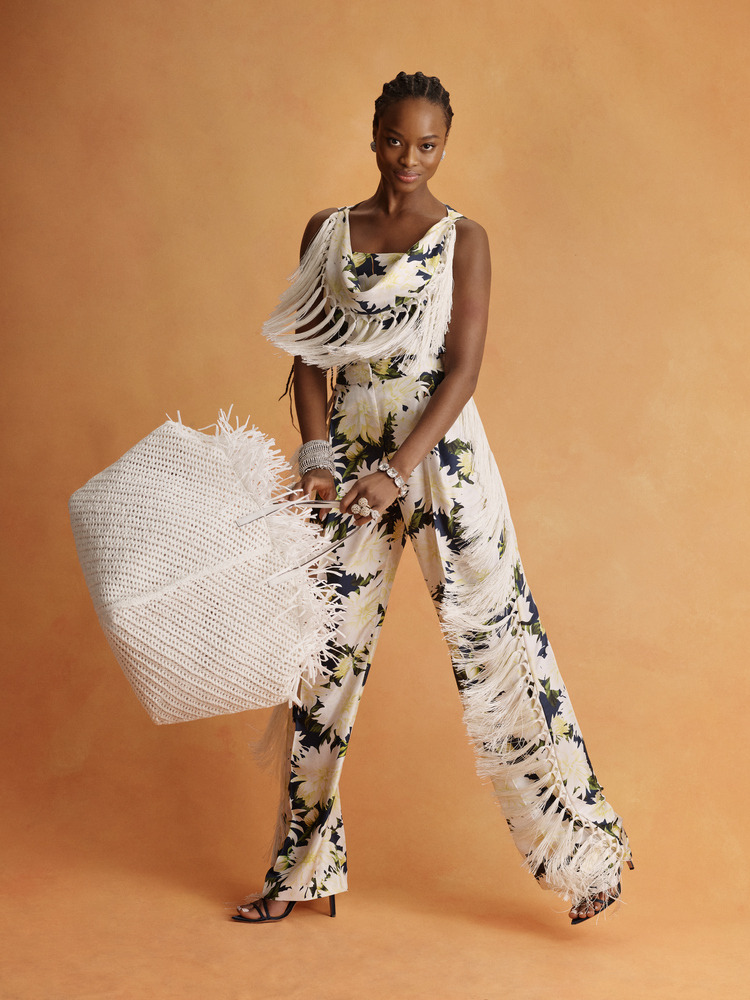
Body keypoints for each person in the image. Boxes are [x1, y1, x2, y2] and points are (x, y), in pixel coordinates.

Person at [233, 71, 633, 927]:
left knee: (501, 641)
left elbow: (463, 370)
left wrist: (399, 470)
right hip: (347, 467)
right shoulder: (330, 231)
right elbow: (309, 360)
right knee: (319, 661)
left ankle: (584, 856)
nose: (408, 159)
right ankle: (302, 872)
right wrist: (318, 459)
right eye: (394, 140)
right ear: (373, 134)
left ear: (444, 145)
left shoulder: (464, 239)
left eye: (427, 145)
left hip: (442, 458)